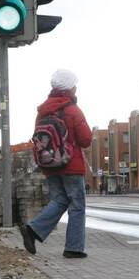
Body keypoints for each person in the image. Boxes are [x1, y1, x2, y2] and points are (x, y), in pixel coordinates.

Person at [19, 69, 93, 259]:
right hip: (71, 164)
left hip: (50, 164)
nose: (76, 88)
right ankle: (73, 248)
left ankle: (33, 230)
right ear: (70, 88)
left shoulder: (42, 111)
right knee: (77, 204)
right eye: (74, 85)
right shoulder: (72, 110)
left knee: (59, 200)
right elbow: (86, 139)